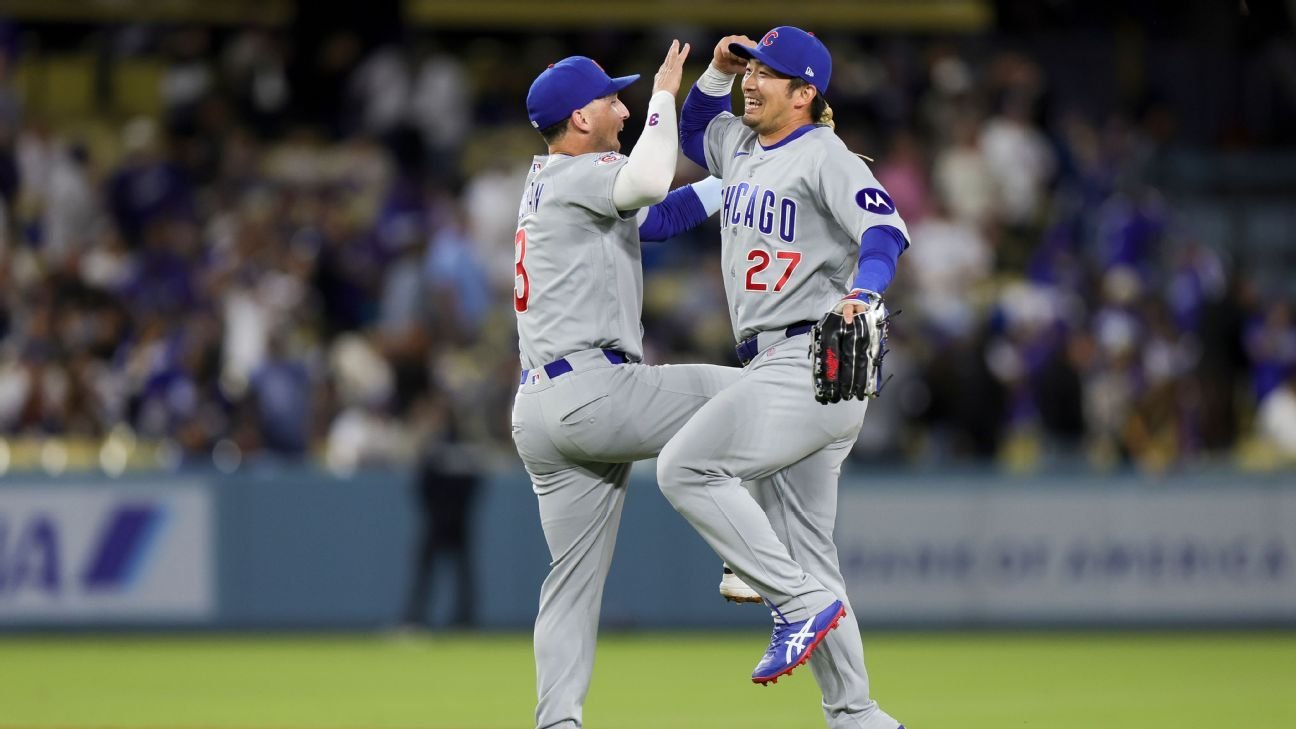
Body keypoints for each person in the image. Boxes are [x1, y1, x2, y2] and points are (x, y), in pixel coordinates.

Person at [658, 27, 908, 729]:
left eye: (767, 74)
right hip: (772, 365)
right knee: (810, 553)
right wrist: (715, 71)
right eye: (752, 71)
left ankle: (792, 599)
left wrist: (865, 290)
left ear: (804, 94)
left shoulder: (824, 153)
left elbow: (884, 231)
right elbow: (694, 131)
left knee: (685, 468)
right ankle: (856, 712)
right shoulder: (741, 147)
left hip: (809, 360)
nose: (752, 82)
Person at [510, 42, 745, 729]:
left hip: (541, 406)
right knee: (757, 396)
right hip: (593, 390)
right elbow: (646, 181)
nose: (624, 107)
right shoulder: (585, 171)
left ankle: (558, 721)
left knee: (571, 587)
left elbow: (659, 217)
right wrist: (668, 94)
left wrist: (744, 176)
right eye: (612, 98)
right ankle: (745, 560)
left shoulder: (555, 180)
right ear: (580, 119)